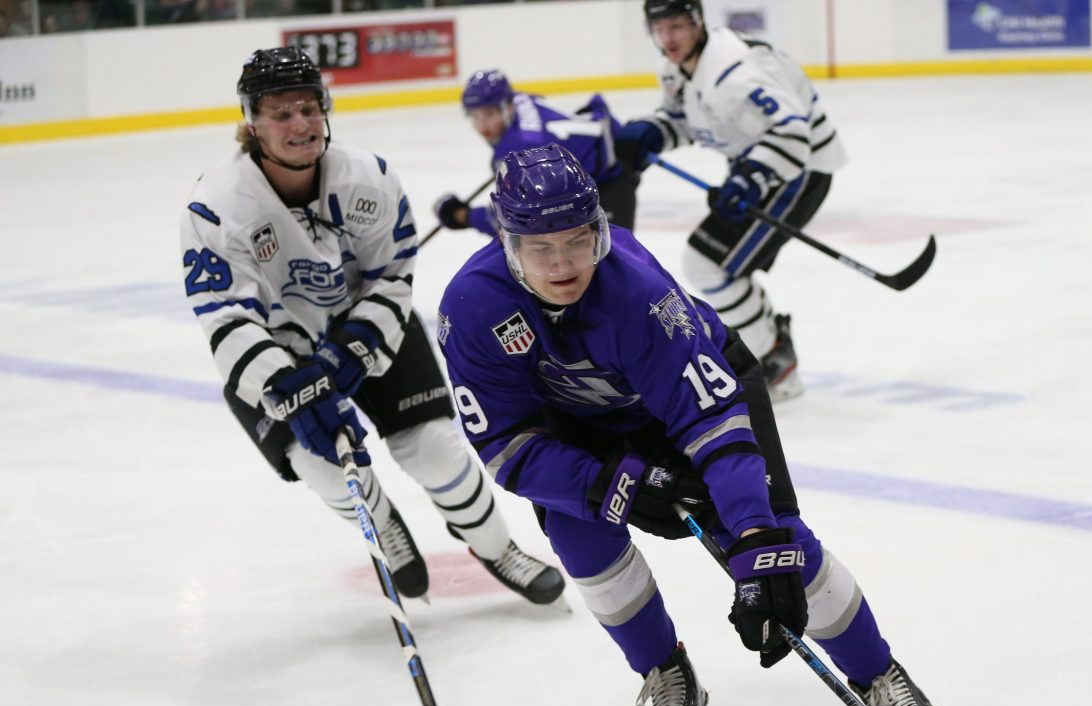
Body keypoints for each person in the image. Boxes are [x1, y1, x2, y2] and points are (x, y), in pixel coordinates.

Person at [436, 144, 942, 706]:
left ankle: (878, 672)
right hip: (587, 433)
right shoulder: (472, 309)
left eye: (577, 239)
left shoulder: (637, 290)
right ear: (508, 244)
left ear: (598, 228)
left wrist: (757, 536)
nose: (564, 263)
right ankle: (665, 669)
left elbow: (709, 420)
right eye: (541, 248)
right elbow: (505, 445)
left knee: (777, 546)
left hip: (702, 403)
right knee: (579, 537)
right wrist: (606, 484)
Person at [180, 47, 564, 607]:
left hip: (363, 329)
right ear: (252, 122)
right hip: (279, 356)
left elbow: (392, 276)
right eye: (282, 114)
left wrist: (355, 348)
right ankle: (381, 524)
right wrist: (282, 386)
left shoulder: (370, 179)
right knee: (326, 467)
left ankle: (495, 545)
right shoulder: (216, 206)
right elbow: (225, 314)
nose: (300, 125)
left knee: (435, 449)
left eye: (309, 108)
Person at [612, 0, 847, 402]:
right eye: (660, 29)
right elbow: (696, 120)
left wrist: (751, 179)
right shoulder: (676, 67)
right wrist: (655, 131)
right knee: (711, 263)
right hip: (760, 166)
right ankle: (772, 348)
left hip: (797, 170)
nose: (668, 39)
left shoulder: (736, 71)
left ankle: (774, 361)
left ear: (698, 22)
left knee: (709, 263)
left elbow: (793, 134)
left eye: (677, 27)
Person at [431, 69, 641, 239]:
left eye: (489, 114)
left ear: (508, 107)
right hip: (596, 156)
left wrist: (462, 216)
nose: (482, 125)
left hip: (609, 184)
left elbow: (517, 218)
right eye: (475, 116)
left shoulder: (519, 147)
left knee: (605, 261)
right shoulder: (520, 100)